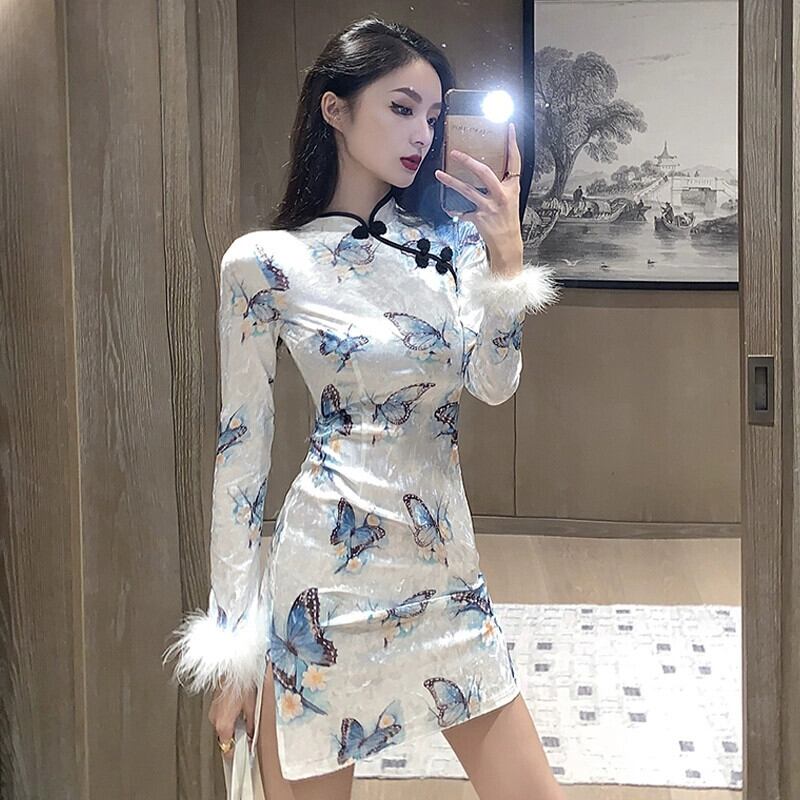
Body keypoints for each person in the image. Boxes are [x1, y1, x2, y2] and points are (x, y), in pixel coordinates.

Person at [162, 16, 564, 800]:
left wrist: (507, 263)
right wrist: (235, 648)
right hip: (325, 589)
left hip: (446, 579)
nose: (422, 133)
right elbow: (241, 457)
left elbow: (492, 383)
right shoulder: (265, 264)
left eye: (434, 115)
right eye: (401, 107)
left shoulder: (454, 247)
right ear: (335, 109)